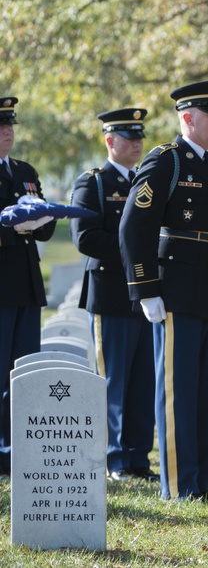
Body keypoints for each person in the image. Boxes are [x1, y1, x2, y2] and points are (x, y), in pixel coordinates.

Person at [119, 80, 208, 502]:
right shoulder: (165, 161)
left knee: (207, 394)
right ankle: (178, 482)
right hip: (176, 293)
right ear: (187, 118)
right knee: (178, 394)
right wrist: (146, 289)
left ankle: (201, 483)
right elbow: (134, 226)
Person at [70, 107, 157, 483]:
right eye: (128, 137)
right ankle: (114, 458)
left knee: (142, 382)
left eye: (140, 137)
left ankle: (138, 457)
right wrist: (134, 249)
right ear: (110, 141)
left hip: (145, 296)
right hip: (110, 296)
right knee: (113, 382)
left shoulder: (148, 180)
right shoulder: (95, 184)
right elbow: (85, 238)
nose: (137, 143)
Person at [0, 96, 57, 476]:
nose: (7, 133)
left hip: (26, 285)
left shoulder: (24, 171)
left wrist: (38, 220)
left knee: (23, 373)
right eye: (0, 128)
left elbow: (48, 227)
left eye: (9, 127)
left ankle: (17, 449)